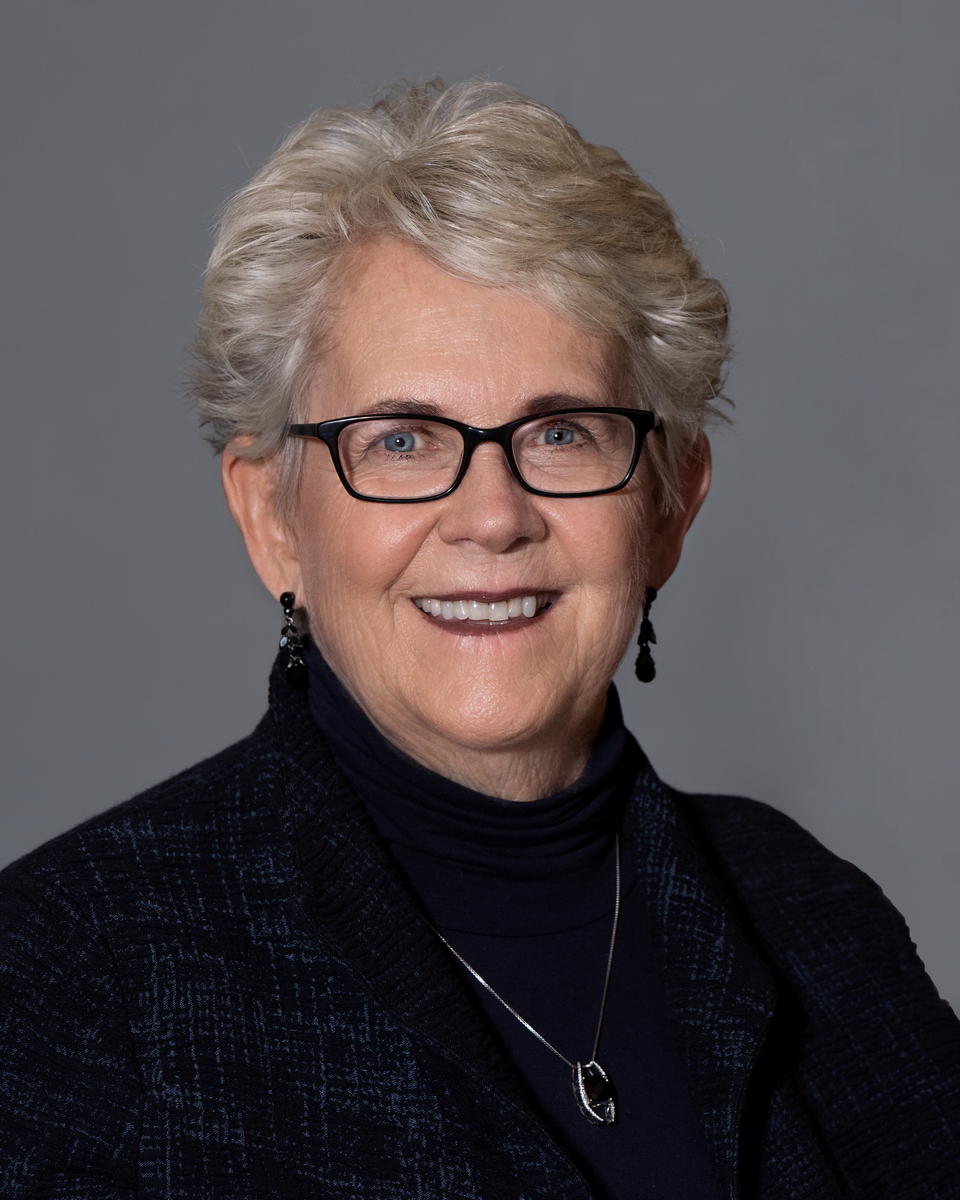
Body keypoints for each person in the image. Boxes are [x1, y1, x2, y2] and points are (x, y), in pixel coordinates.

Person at [0, 79, 957, 1200]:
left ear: (669, 503)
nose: (493, 517)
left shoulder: (812, 915)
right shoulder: (70, 979)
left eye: (562, 431)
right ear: (272, 518)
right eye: (402, 440)